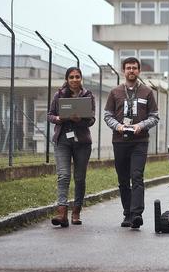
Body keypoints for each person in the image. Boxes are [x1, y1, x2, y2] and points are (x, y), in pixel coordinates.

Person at [104, 57, 159, 229]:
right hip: (119, 141)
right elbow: (107, 116)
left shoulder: (147, 92)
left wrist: (140, 126)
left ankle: (136, 214)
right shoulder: (115, 92)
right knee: (123, 179)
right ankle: (127, 214)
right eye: (128, 68)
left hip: (139, 141)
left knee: (136, 176)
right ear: (123, 70)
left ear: (139, 71)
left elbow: (154, 117)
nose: (131, 71)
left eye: (134, 68)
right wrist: (119, 126)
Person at [47, 66, 96, 227]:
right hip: (62, 140)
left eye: (77, 77)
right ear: (67, 79)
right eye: (71, 77)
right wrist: (59, 118)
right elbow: (50, 115)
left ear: (81, 78)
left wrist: (80, 120)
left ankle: (76, 211)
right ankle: (62, 213)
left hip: (82, 142)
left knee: (79, 178)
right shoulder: (59, 95)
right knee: (63, 175)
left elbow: (92, 120)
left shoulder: (88, 95)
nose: (74, 80)